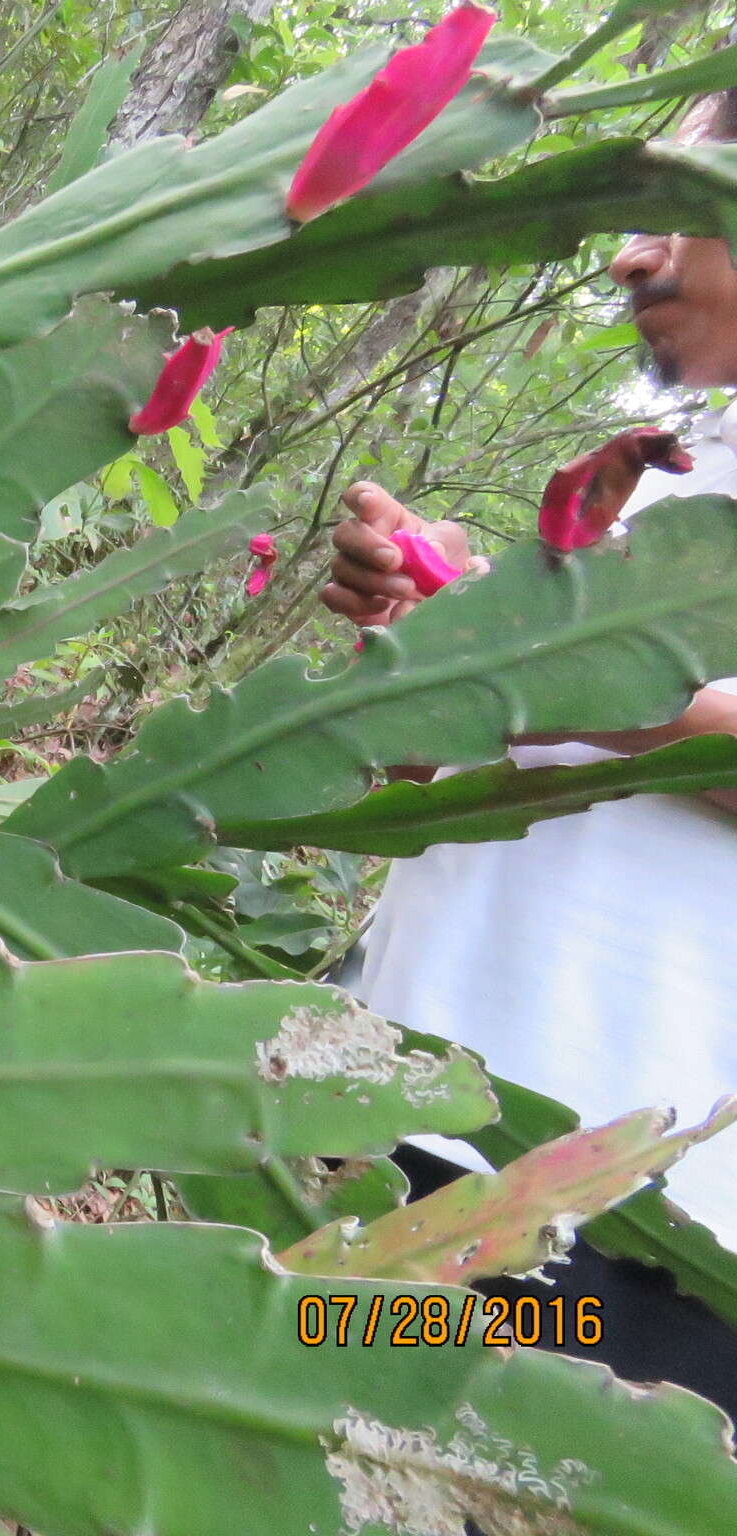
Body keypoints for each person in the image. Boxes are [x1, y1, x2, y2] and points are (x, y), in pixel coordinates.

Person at [320, 91, 737, 1412]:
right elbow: (473, 784)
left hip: (626, 1240)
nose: (628, 251)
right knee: (270, 1448)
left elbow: (589, 703)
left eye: (682, 208)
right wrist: (425, 653)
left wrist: (541, 660)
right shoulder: (657, 469)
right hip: (397, 1129)